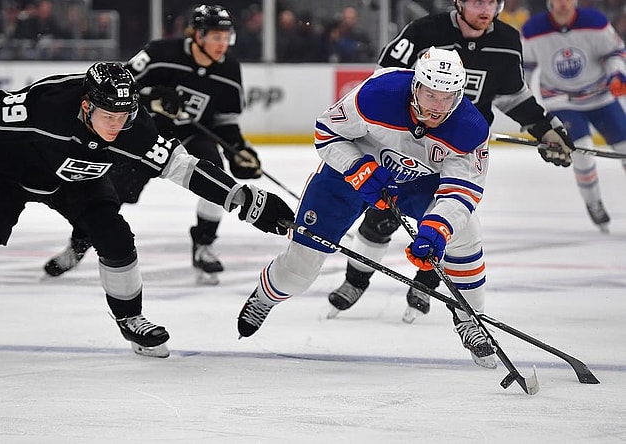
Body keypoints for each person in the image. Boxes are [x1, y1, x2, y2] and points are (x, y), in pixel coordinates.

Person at [0, 62, 294, 359]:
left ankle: (130, 320)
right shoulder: (42, 108)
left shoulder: (133, 125)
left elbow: (183, 167)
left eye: (126, 116)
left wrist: (245, 200)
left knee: (116, 237)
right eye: (109, 117)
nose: (119, 127)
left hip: (76, 181)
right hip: (6, 172)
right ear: (85, 106)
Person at [237, 48, 499, 368]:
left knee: (465, 231)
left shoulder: (470, 127)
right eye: (431, 94)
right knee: (300, 269)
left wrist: (437, 228)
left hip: (418, 184)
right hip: (350, 176)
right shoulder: (378, 93)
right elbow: (327, 133)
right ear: (416, 86)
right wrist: (356, 167)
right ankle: (266, 296)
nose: (438, 107)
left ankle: (471, 319)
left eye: (447, 97)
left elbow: (462, 191)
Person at [325, 0, 576, 324]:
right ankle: (355, 280)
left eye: (492, 1)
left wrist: (544, 128)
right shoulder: (424, 31)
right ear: (458, 2)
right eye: (476, 1)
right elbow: (385, 78)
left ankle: (426, 285)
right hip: (410, 143)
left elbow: (512, 95)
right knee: (381, 214)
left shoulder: (507, 40)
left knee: (446, 224)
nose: (485, 8)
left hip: (458, 150)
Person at [43, 4, 264, 286]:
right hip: (147, 135)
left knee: (216, 177)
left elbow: (225, 120)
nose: (222, 44)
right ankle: (78, 244)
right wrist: (150, 97)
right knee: (110, 193)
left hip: (194, 135)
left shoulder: (230, 68)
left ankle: (204, 246)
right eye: (215, 37)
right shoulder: (160, 53)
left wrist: (239, 148)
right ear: (197, 34)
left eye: (226, 37)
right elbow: (117, 88)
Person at [522, 0, 626, 233]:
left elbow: (614, 52)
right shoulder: (531, 30)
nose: (562, 3)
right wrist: (524, 100)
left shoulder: (595, 22)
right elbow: (525, 67)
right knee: (582, 153)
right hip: (561, 102)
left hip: (601, 99)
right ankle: (593, 203)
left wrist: (616, 74)